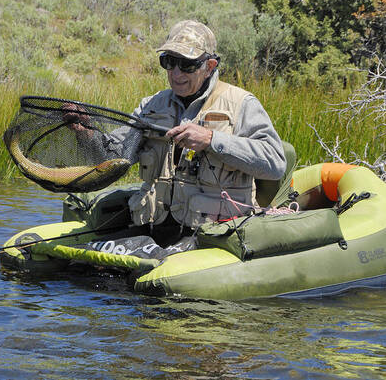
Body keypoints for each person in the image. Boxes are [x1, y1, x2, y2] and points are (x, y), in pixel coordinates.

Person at [68, 20, 286, 245]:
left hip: (215, 236)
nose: (176, 73)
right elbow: (115, 156)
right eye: (169, 62)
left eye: (186, 64)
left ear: (209, 66)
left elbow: (275, 164)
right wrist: (86, 133)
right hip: (154, 229)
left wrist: (211, 140)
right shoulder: (151, 105)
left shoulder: (242, 104)